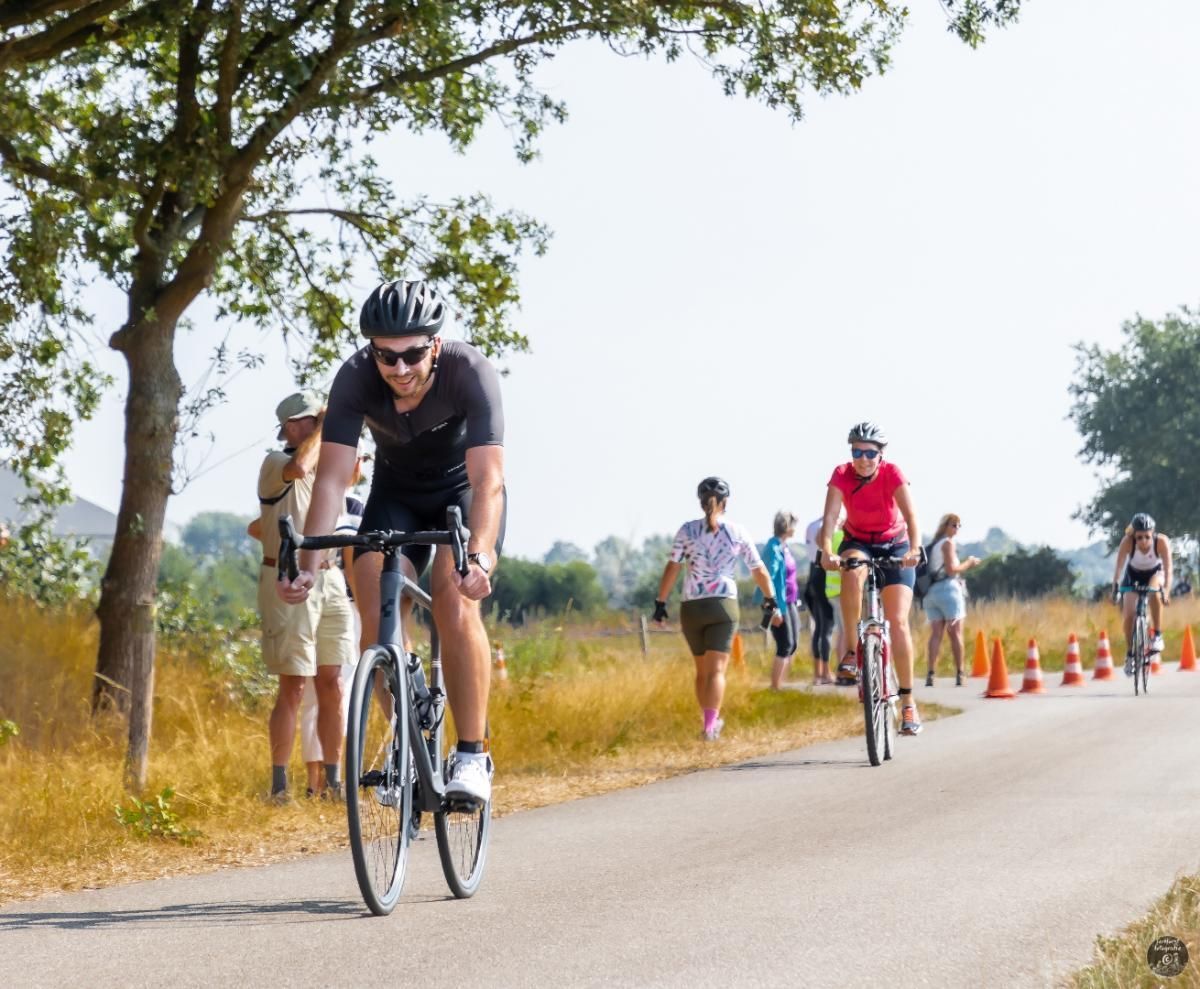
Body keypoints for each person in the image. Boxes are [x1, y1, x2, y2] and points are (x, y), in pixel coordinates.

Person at [277, 278, 505, 806]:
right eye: (386, 356)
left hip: (461, 494)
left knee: (454, 601)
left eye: (411, 354)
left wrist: (482, 554)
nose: (399, 369)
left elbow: (487, 480)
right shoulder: (356, 377)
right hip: (395, 494)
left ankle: (472, 755)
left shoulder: (471, 372)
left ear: (435, 345)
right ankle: (406, 744)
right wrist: (309, 563)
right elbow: (331, 479)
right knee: (376, 612)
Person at [256, 391, 357, 802]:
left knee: (332, 683)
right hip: (288, 575)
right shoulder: (275, 464)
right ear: (291, 427)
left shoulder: (322, 469)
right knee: (294, 685)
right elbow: (298, 466)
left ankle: (333, 782)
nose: (318, 428)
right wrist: (327, 425)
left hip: (330, 578)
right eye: (312, 422)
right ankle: (279, 785)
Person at [652, 477, 779, 740]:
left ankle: (707, 722)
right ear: (726, 502)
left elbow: (672, 567)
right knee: (717, 671)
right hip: (723, 604)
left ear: (701, 502)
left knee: (702, 671)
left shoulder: (686, 531)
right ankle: (711, 725)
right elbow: (759, 570)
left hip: (692, 606)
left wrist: (660, 603)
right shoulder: (737, 531)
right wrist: (771, 600)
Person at [819, 422, 924, 736]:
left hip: (896, 544)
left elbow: (913, 516)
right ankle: (853, 650)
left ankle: (908, 702)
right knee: (851, 574)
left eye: (869, 452)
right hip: (858, 541)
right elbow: (829, 518)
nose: (863, 459)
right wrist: (826, 550)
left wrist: (916, 548)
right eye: (857, 452)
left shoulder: (892, 473)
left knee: (898, 620)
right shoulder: (841, 475)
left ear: (881, 455)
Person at [922, 513, 981, 687]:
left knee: (936, 634)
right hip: (948, 590)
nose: (956, 529)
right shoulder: (947, 544)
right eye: (954, 525)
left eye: (958, 526)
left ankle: (930, 673)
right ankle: (960, 672)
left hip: (931, 592)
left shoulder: (933, 545)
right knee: (955, 633)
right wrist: (969, 563)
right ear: (946, 526)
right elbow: (951, 570)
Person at [1111, 512, 1172, 676]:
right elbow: (1118, 567)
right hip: (1134, 575)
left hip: (1154, 573)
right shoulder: (1127, 542)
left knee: (1154, 591)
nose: (1144, 541)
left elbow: (1168, 569)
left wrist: (1166, 591)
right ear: (1133, 536)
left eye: (1147, 537)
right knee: (1129, 615)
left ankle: (1157, 634)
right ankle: (1130, 653)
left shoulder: (1161, 542)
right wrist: (1115, 588)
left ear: (1153, 534)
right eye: (1139, 537)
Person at [763, 511, 801, 690]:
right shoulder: (772, 548)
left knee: (793, 644)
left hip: (791, 601)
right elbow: (768, 578)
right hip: (778, 603)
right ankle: (775, 687)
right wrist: (773, 608)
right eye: (793, 525)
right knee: (784, 644)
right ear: (787, 527)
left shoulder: (784, 547)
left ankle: (781, 685)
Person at [802, 515, 835, 684]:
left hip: (811, 574)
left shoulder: (810, 525)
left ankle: (818, 673)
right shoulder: (829, 524)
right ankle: (826, 672)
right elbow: (820, 538)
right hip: (823, 574)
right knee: (826, 628)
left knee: (818, 628)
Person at [824, 523, 846, 684]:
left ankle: (842, 670)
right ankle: (844, 672)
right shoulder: (845, 538)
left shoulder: (834, 537)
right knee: (846, 632)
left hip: (832, 591)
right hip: (842, 591)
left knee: (841, 632)